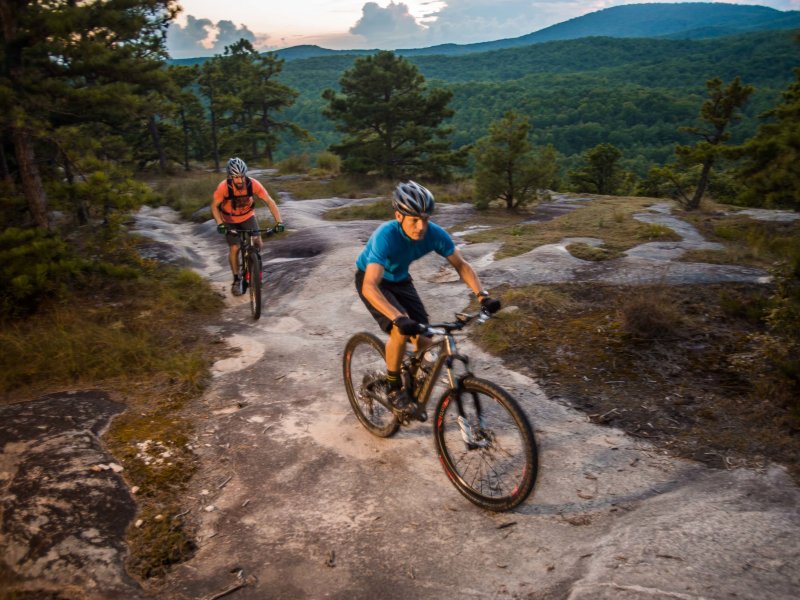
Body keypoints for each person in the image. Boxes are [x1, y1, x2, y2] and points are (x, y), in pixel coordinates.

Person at [355, 180, 501, 418]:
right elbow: (370, 287)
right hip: (373, 281)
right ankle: (393, 389)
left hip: (401, 279)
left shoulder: (434, 234)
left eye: (426, 218)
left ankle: (413, 383)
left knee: (424, 338)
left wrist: (482, 296)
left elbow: (461, 265)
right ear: (399, 216)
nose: (421, 226)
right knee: (400, 330)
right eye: (414, 219)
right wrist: (397, 317)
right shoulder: (386, 235)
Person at [212, 157, 285, 296]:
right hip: (229, 219)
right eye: (235, 177)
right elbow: (214, 207)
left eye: (241, 176)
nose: (239, 180)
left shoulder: (253, 184)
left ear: (245, 174)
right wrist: (220, 224)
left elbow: (270, 201)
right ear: (230, 177)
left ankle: (254, 266)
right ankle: (236, 279)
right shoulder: (224, 187)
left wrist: (279, 222)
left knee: (258, 241)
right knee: (235, 247)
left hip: (247, 216)